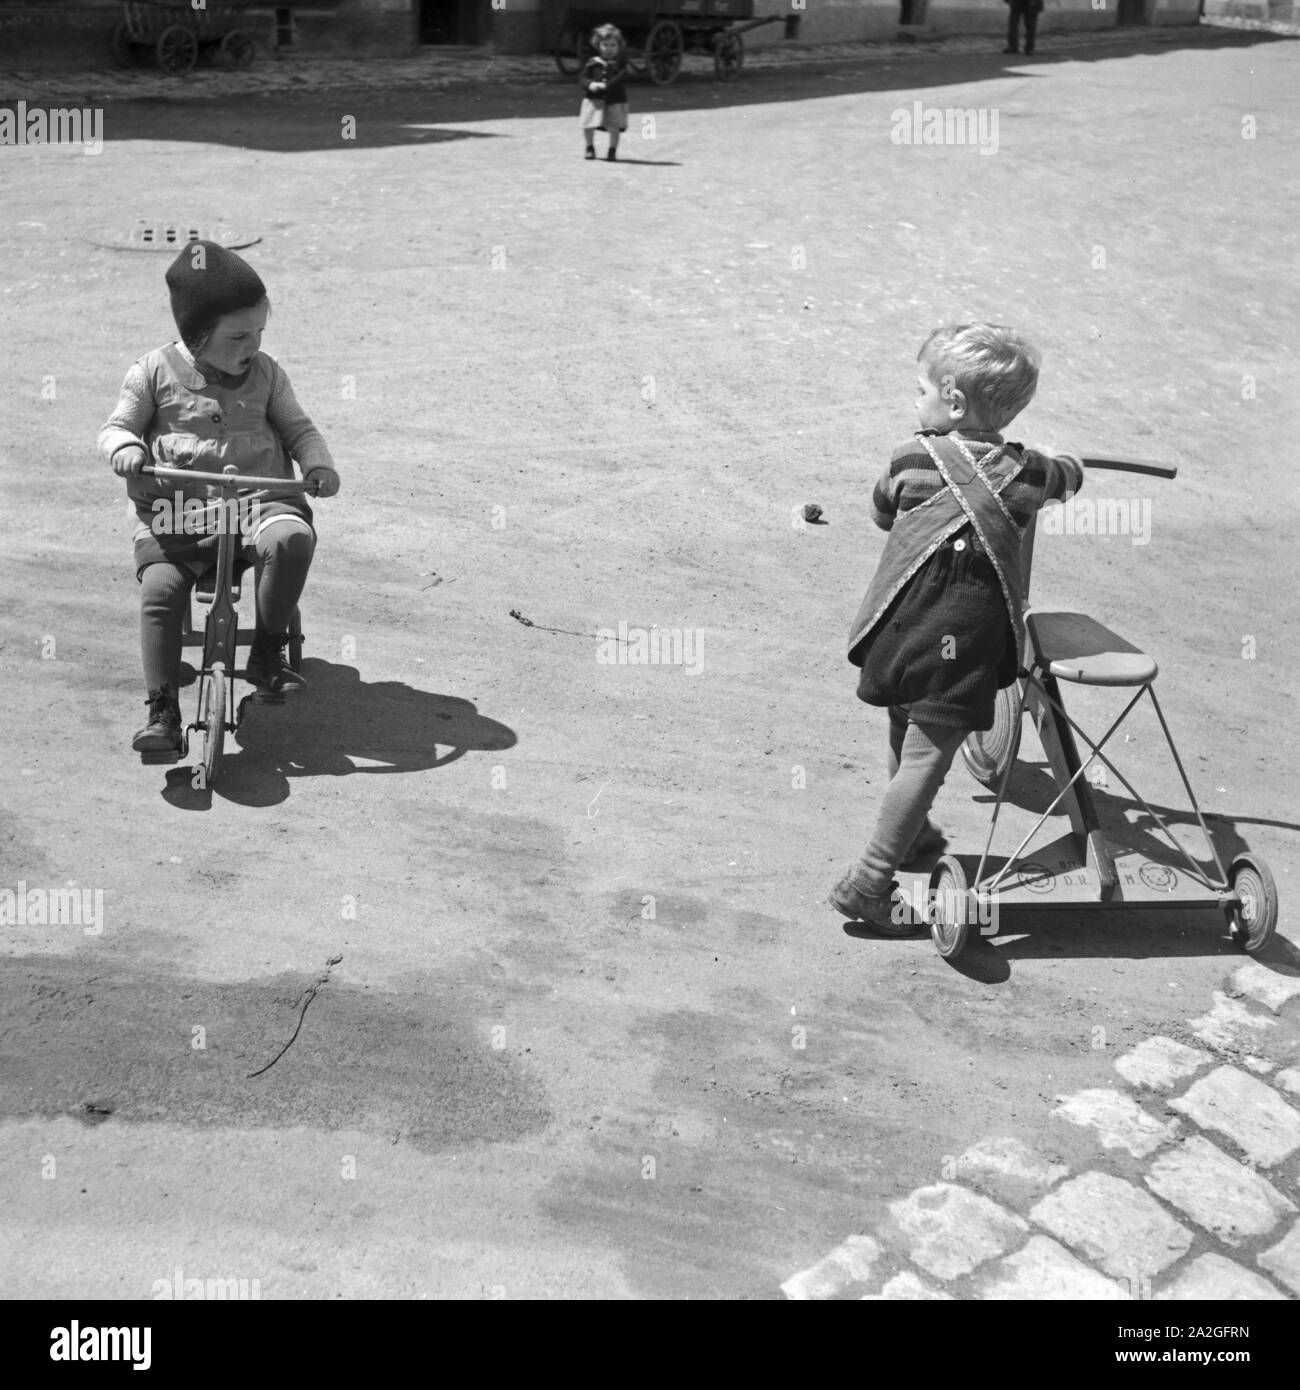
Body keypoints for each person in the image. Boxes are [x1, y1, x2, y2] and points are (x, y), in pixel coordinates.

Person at [830, 324, 1085, 934]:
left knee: (904, 719)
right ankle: (870, 879)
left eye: (920, 389)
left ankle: (911, 836)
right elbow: (1067, 480)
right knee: (926, 758)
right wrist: (1070, 466)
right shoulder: (1028, 474)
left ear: (951, 400)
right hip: (961, 641)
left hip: (899, 625)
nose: (914, 400)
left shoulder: (910, 458)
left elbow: (881, 513)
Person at [99, 240, 341, 755]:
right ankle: (162, 708)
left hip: (259, 502)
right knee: (160, 591)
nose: (251, 345)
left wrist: (317, 463)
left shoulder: (268, 374)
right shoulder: (151, 372)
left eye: (258, 332)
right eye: (237, 336)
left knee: (293, 539)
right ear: (197, 334)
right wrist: (123, 447)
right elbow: (116, 427)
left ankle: (269, 651)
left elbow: (299, 428)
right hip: (177, 513)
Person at [579, 24, 629, 162]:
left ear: (619, 46)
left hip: (614, 100)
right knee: (588, 124)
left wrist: (606, 86)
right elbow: (582, 78)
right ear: (598, 45)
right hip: (593, 100)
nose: (609, 48)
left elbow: (620, 79)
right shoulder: (593, 62)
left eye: (613, 45)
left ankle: (612, 150)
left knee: (614, 126)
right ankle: (589, 148)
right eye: (605, 45)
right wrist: (590, 84)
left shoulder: (620, 64)